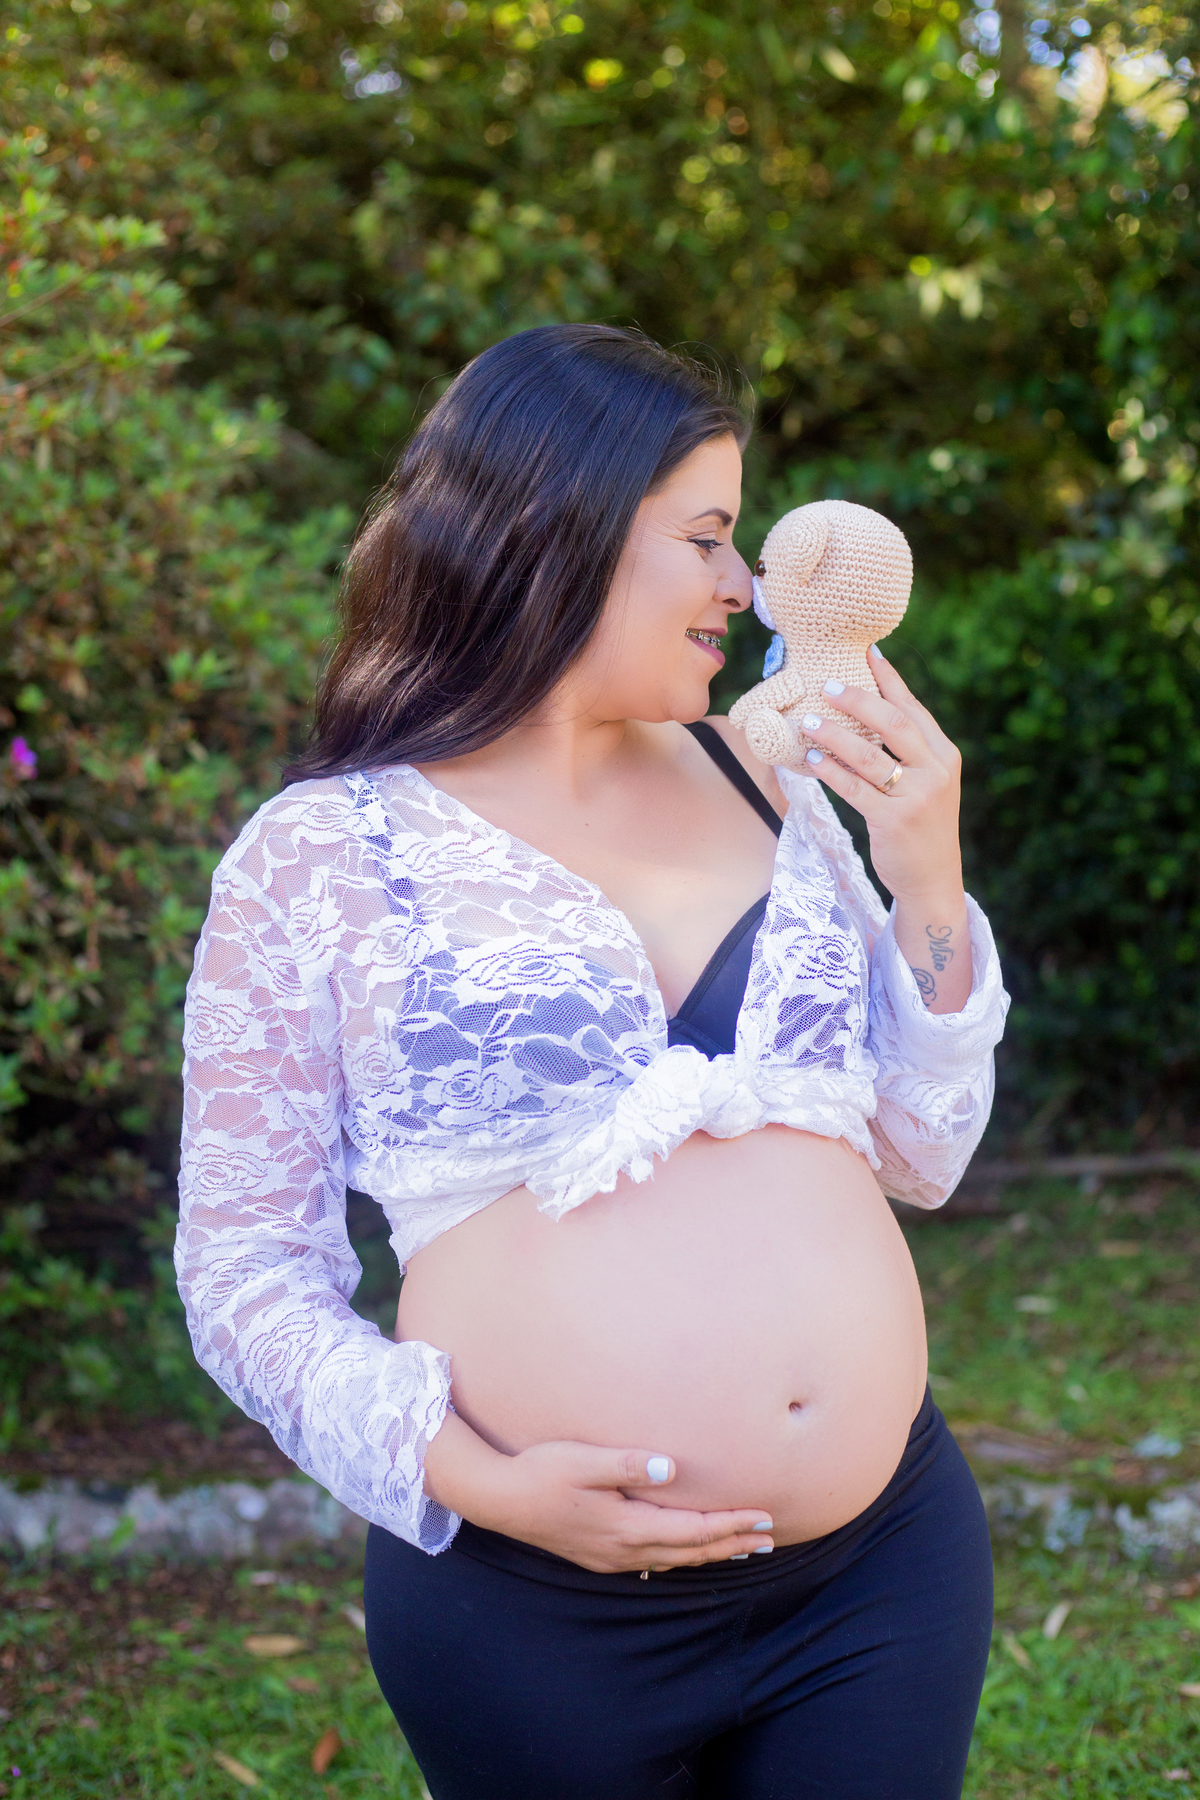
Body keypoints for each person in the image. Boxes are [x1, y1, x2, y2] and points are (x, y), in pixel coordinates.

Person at [177, 324, 1008, 1800]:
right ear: (550, 529)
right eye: (703, 535)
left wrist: (926, 876)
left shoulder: (769, 778)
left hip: (880, 1576)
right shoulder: (320, 857)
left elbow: (921, 1152)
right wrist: (474, 1480)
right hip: (535, 1612)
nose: (741, 585)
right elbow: (243, 1267)